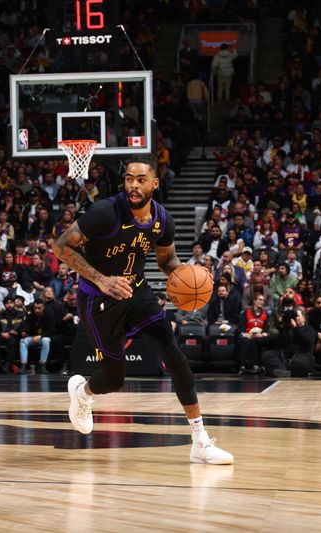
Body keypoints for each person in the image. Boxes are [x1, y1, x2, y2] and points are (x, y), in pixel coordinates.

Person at [53, 156, 233, 464]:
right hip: (98, 298)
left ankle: (200, 440)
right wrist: (101, 279)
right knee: (113, 379)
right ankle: (83, 393)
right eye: (129, 179)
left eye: (140, 180)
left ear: (154, 183)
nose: (133, 185)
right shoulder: (105, 213)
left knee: (173, 354)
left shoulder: (163, 219)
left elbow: (166, 261)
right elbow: (61, 246)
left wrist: (189, 275)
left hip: (137, 292)